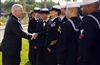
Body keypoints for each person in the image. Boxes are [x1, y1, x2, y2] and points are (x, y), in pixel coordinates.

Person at [77, 0, 100, 65]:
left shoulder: (88, 22)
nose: (81, 9)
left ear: (89, 8)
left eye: (83, 7)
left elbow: (84, 46)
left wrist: (81, 62)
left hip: (92, 60)